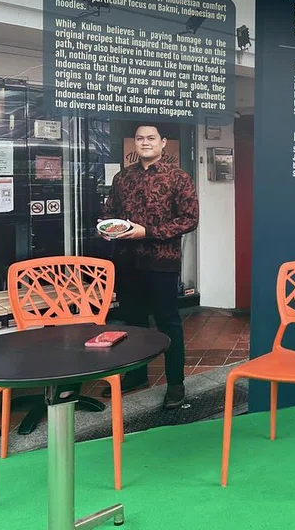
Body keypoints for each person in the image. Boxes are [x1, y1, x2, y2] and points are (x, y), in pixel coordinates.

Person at [99, 123, 199, 410]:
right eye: (140, 138)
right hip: (128, 261)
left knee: (168, 322)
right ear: (134, 143)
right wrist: (106, 228)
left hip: (162, 261)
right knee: (133, 322)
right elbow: (109, 213)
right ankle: (136, 375)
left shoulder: (178, 178)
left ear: (163, 142)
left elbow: (189, 219)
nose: (145, 142)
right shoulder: (122, 178)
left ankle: (176, 384)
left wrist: (148, 231)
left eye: (151, 138)